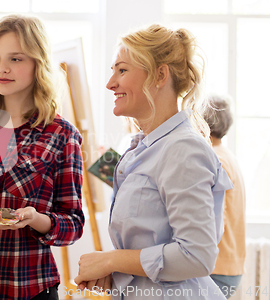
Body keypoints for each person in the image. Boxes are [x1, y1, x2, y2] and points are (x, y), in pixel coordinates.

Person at [74, 24, 233, 299]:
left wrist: (112, 260)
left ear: (160, 75)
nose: (110, 83)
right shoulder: (143, 148)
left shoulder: (183, 149)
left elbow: (197, 255)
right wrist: (119, 274)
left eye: (122, 70)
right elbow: (155, 243)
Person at [0, 14, 85, 300]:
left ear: (38, 63)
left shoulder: (60, 135)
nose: (2, 69)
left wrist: (36, 219)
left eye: (16, 59)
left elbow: (73, 224)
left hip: (25, 288)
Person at [203, 94, 246, 299]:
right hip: (229, 266)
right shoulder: (227, 155)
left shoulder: (215, 159)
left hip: (217, 269)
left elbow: (211, 219)